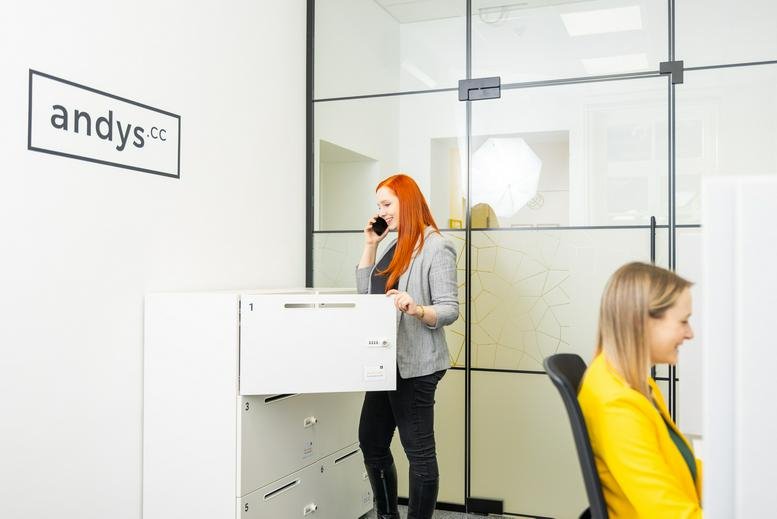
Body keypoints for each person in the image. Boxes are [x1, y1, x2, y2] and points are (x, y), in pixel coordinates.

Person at [356, 174, 458, 519]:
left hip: (417, 365)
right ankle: (388, 515)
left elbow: (450, 309)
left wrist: (417, 309)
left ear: (407, 201)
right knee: (371, 440)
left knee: (419, 454)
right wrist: (370, 243)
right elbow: (366, 296)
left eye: (387, 204)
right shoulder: (391, 244)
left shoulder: (435, 246)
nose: (381, 212)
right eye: (379, 206)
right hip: (385, 361)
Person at [578, 262, 702, 518]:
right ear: (642, 322)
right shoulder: (617, 405)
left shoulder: (630, 380)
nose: (690, 334)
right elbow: (667, 512)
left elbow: (675, 463)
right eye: (683, 321)